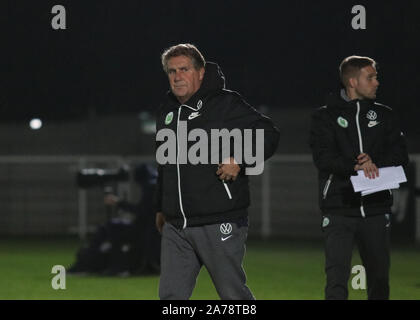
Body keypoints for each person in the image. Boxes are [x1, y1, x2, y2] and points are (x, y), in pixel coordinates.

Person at [154, 43, 280, 300]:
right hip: (176, 225)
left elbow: (269, 133)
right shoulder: (166, 111)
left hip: (218, 220)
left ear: (200, 72)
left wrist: (241, 160)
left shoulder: (225, 104)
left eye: (184, 69)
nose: (177, 76)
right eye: (171, 71)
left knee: (232, 294)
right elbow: (164, 164)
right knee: (170, 298)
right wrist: (161, 206)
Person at [309, 55, 409, 300]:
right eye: (371, 77)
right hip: (338, 209)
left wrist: (375, 162)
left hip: (376, 209)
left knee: (379, 280)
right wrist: (357, 166)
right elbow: (324, 158)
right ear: (352, 82)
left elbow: (400, 154)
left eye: (376, 77)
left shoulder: (385, 115)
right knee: (336, 282)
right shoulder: (324, 117)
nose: (377, 82)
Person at [68, 164, 161, 276]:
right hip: (153, 230)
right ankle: (97, 261)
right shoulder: (157, 184)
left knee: (112, 228)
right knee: (111, 227)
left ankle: (110, 264)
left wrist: (118, 202)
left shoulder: (150, 186)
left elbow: (142, 211)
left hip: (146, 231)